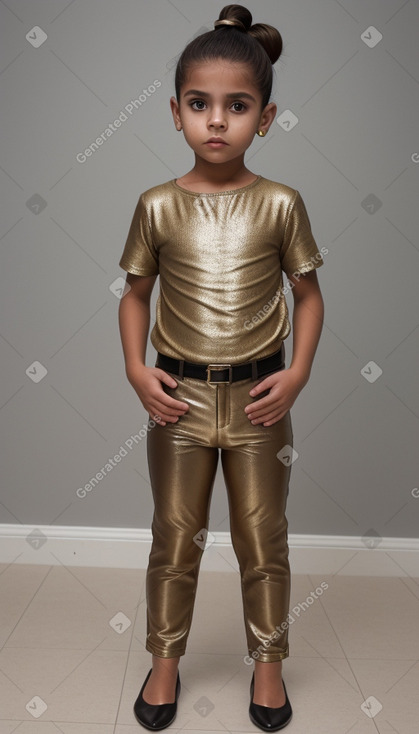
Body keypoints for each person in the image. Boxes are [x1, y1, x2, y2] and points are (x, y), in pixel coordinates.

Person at [118, 4, 325, 730]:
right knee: (173, 536)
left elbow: (307, 295)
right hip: (177, 402)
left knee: (261, 538)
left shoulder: (280, 204)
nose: (216, 121)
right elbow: (135, 297)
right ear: (175, 111)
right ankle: (164, 662)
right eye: (200, 105)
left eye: (236, 107)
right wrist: (137, 371)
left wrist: (295, 373)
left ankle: (268, 670)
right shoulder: (155, 206)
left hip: (259, 402)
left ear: (263, 118)